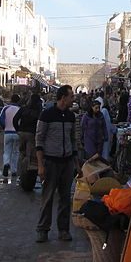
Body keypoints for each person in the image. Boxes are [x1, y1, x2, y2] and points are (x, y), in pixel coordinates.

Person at [35, 85, 78, 243]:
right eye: (71, 96)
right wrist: (40, 165)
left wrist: (76, 163)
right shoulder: (46, 115)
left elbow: (73, 140)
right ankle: (42, 229)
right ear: (63, 98)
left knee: (65, 198)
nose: (73, 99)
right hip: (51, 161)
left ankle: (63, 230)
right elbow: (39, 140)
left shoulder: (70, 117)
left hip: (66, 163)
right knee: (47, 197)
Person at [14, 93, 42, 181]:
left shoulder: (23, 109)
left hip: (22, 132)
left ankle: (19, 174)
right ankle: (27, 175)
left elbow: (15, 119)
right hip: (32, 134)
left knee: (21, 153)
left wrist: (18, 129)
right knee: (30, 155)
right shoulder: (38, 112)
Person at [0, 94, 21, 178]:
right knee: (16, 152)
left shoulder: (6, 108)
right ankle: (14, 170)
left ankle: (6, 164)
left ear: (11, 100)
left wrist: (4, 127)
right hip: (17, 133)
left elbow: (0, 120)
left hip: (7, 132)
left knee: (7, 151)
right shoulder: (20, 109)